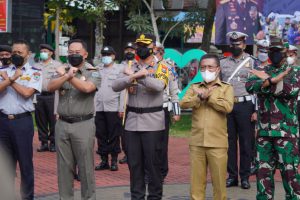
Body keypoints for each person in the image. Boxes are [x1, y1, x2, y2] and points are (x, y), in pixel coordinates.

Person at [112, 33, 169, 200]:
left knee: (153, 165)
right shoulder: (131, 65)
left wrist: (139, 77)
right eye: (139, 46)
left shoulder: (162, 66)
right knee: (134, 165)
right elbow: (115, 86)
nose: (142, 49)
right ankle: (136, 197)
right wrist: (132, 75)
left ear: (153, 48)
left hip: (153, 121)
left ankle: (154, 196)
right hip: (132, 121)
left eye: (146, 46)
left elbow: (158, 86)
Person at [246, 37, 300, 200]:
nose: (274, 54)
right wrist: (272, 81)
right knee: (263, 177)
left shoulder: (295, 72)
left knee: (291, 176)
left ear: (286, 52)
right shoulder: (262, 70)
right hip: (264, 134)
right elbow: (250, 86)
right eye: (272, 51)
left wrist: (266, 83)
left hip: (286, 134)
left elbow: (289, 91)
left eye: (278, 51)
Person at [48, 39, 101, 200]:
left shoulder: (93, 72)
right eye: (70, 52)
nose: (73, 55)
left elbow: (87, 88)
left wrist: (67, 76)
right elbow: (50, 87)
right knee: (64, 168)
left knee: (85, 167)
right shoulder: (61, 70)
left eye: (77, 52)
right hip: (62, 124)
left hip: (83, 124)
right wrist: (65, 74)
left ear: (85, 54)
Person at [180, 54, 234, 200]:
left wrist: (209, 98)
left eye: (210, 67)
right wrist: (198, 97)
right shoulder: (194, 87)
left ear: (218, 69)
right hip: (197, 142)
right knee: (196, 185)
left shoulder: (226, 88)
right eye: (203, 67)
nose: (206, 70)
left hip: (217, 143)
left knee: (219, 185)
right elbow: (183, 103)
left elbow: (227, 107)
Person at [0, 40, 42, 200]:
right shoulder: (3, 69)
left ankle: (27, 197)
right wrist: (9, 79)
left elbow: (27, 93)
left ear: (28, 54)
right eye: (14, 52)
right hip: (3, 122)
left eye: (20, 52)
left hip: (22, 122)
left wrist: (10, 80)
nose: (16, 55)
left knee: (25, 164)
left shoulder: (34, 72)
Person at [221, 31, 256, 189]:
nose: (236, 46)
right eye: (233, 44)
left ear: (244, 44)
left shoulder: (252, 62)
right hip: (228, 106)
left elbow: (258, 88)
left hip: (246, 106)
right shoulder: (222, 63)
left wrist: (256, 110)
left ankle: (245, 177)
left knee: (246, 143)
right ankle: (232, 176)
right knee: (229, 143)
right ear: (230, 44)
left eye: (239, 44)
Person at [94, 46, 125, 171]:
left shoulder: (119, 69)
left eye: (108, 54)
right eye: (103, 54)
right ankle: (103, 160)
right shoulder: (97, 69)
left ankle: (114, 160)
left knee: (114, 134)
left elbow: (123, 90)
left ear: (113, 56)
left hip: (113, 107)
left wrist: (121, 107)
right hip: (98, 107)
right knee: (100, 134)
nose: (105, 57)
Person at [153, 41, 180, 181]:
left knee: (162, 143)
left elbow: (174, 90)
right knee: (148, 143)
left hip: (162, 108)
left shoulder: (168, 67)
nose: (154, 55)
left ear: (162, 53)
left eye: (156, 52)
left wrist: (176, 111)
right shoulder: (146, 67)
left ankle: (162, 172)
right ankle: (150, 172)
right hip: (147, 110)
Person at [35, 44, 61, 152]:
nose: (43, 53)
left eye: (45, 51)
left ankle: (53, 142)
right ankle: (44, 142)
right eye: (42, 51)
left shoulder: (57, 65)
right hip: (39, 95)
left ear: (51, 53)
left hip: (52, 96)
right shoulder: (36, 66)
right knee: (41, 120)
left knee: (53, 120)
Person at [119, 42, 137, 165]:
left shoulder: (138, 65)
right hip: (123, 100)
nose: (129, 52)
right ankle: (126, 153)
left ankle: (134, 153)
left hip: (135, 100)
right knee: (123, 131)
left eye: (132, 50)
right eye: (127, 50)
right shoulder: (120, 66)